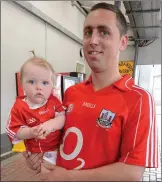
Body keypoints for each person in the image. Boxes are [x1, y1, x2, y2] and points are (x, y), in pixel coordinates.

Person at [23, 2, 159, 181]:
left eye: (104, 32)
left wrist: (67, 177)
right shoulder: (72, 93)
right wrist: (38, 152)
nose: (93, 40)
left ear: (123, 42)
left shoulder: (139, 99)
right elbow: (61, 140)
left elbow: (132, 172)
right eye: (88, 32)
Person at [6, 57, 65, 168]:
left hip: (57, 148)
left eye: (45, 83)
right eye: (32, 82)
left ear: (52, 86)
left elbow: (62, 118)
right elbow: (14, 130)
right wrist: (30, 132)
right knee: (41, 170)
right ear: (22, 84)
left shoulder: (54, 101)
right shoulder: (19, 107)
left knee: (50, 171)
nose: (38, 87)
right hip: (34, 152)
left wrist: (50, 124)